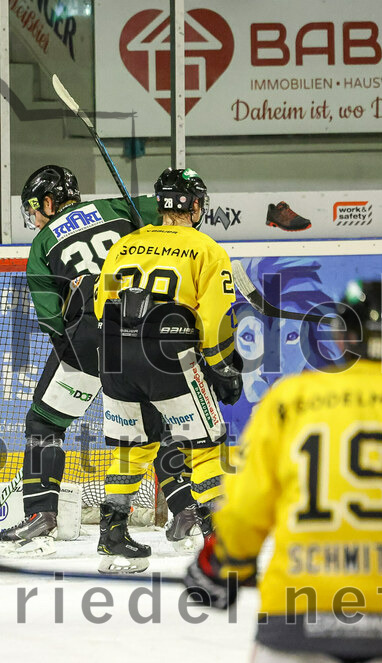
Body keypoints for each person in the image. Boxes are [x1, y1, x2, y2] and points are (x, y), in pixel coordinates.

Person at [184, 278, 382, 663]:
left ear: (340, 335)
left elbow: (245, 504)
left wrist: (223, 563)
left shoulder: (291, 398)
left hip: (299, 604)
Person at [0, 165, 194, 548]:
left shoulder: (41, 247)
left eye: (35, 209)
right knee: (153, 429)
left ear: (49, 202)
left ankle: (40, 514)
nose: (34, 218)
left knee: (44, 423)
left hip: (89, 341)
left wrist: (77, 361)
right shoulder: (119, 208)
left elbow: (51, 318)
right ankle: (186, 510)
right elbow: (175, 214)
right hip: (144, 334)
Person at [93, 167, 241, 573]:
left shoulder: (124, 245)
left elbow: (97, 307)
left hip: (115, 355)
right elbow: (212, 321)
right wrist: (221, 367)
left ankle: (112, 534)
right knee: (205, 444)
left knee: (132, 447)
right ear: (194, 205)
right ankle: (220, 540)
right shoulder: (206, 249)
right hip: (168, 353)